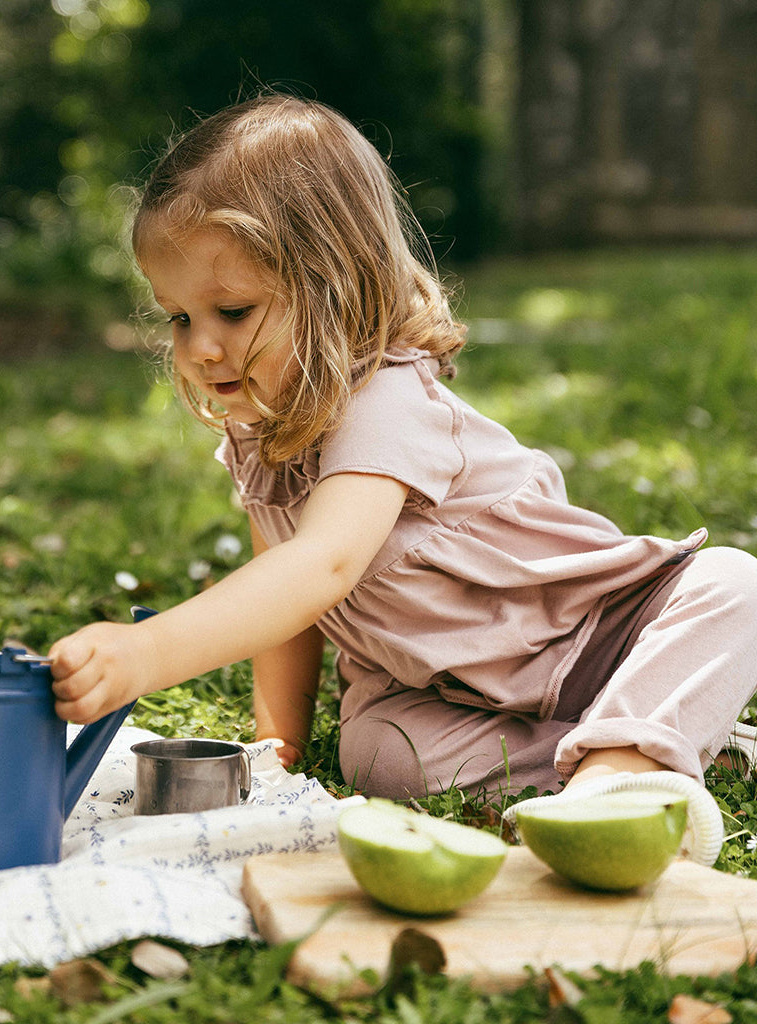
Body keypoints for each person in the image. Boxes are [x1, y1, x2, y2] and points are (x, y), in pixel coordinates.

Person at [48, 93, 757, 864]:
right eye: (180, 317)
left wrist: (147, 653)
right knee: (381, 755)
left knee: (734, 583)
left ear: (335, 284)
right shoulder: (258, 434)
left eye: (234, 311)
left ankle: (617, 773)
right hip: (441, 689)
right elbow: (284, 600)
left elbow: (321, 566)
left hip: (595, 634)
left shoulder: (383, 401)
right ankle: (648, 744)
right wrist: (277, 744)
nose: (201, 348)